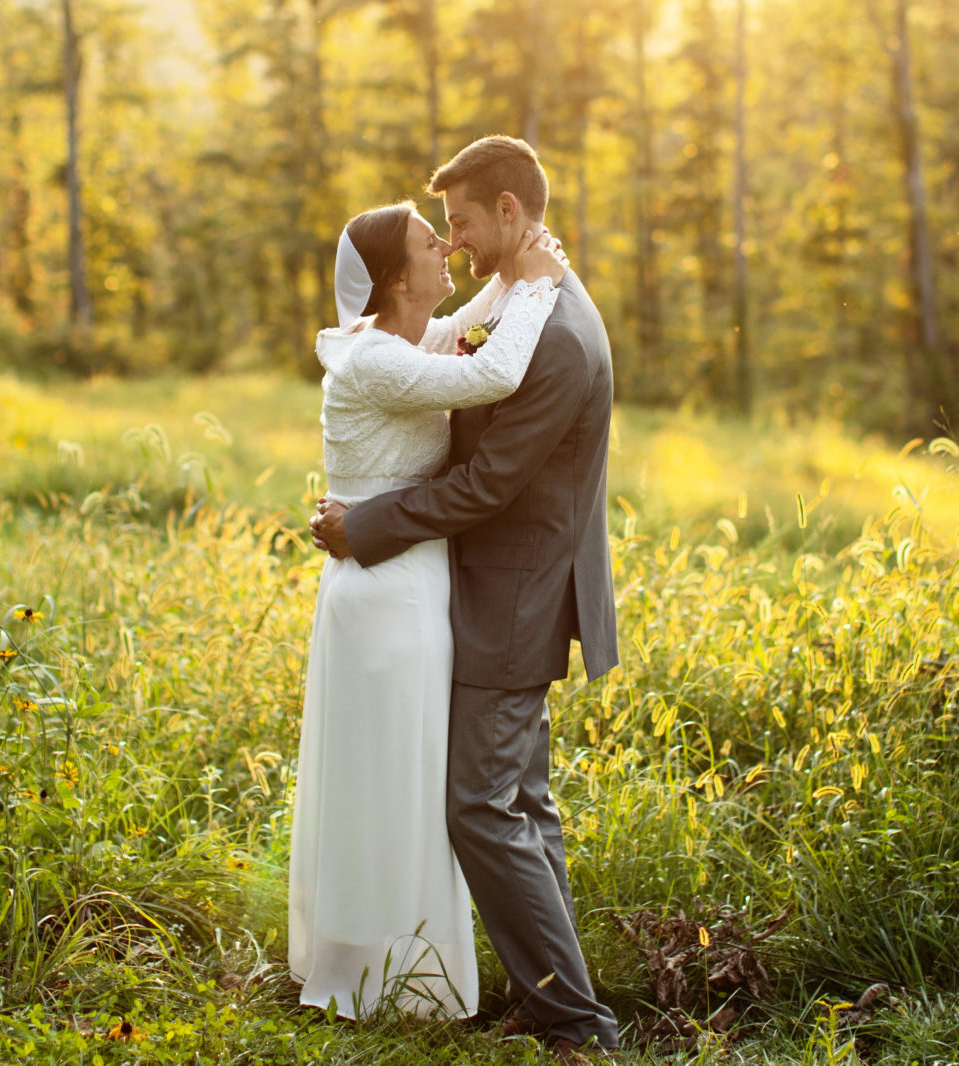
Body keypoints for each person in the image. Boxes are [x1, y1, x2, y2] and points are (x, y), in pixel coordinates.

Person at [310, 135, 621, 1060]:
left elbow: (486, 484)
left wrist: (366, 523)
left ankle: (576, 1023)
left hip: (512, 599)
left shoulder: (555, 336)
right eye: (438, 232)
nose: (452, 242)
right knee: (518, 802)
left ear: (509, 213)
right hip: (485, 590)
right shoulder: (533, 303)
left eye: (460, 222)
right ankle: (549, 994)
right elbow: (463, 347)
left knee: (482, 809)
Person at [288, 196, 569, 1022]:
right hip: (386, 594)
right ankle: (380, 970)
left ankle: (395, 961)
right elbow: (491, 373)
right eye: (428, 240)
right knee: (390, 774)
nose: (445, 245)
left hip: (407, 577)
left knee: (407, 770)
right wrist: (540, 286)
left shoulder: (406, 340)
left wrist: (521, 263)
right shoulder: (377, 360)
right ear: (395, 278)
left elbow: (467, 326)